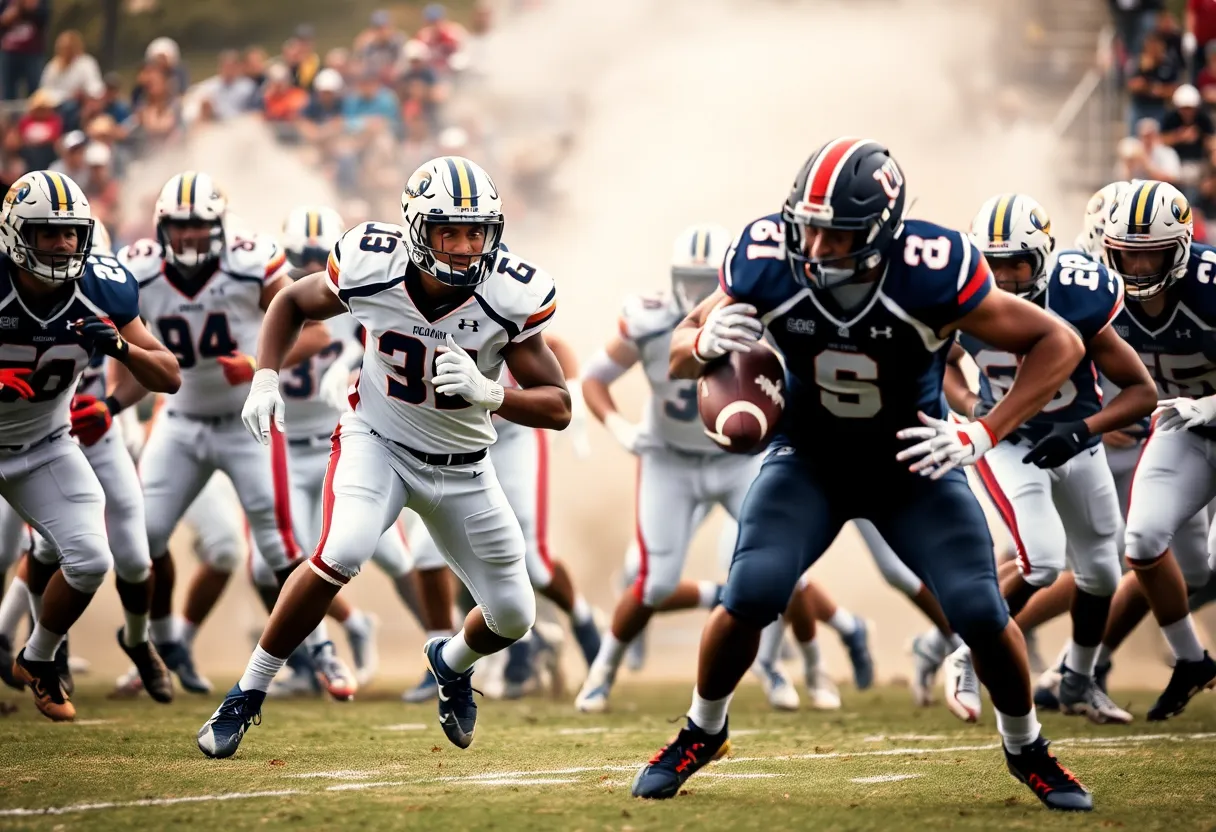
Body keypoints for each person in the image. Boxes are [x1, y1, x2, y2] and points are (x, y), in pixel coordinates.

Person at [630, 137, 1092, 811]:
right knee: (751, 590)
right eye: (807, 229)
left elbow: (1060, 341)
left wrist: (984, 429)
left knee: (979, 610)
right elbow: (680, 352)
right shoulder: (764, 259)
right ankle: (703, 729)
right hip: (809, 458)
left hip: (912, 462)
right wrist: (699, 344)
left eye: (836, 236)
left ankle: (1027, 747)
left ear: (881, 233)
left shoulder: (931, 270)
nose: (815, 250)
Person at [196, 155, 570, 759]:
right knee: (341, 550)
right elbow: (291, 303)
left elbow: (558, 405)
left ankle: (450, 663)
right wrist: (265, 375)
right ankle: (246, 693)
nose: (466, 247)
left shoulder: (509, 294)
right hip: (379, 442)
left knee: (513, 615)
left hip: (466, 467)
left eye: (477, 232)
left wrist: (492, 392)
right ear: (418, 230)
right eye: (450, 231)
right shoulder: (374, 266)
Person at [118, 171, 335, 697]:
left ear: (219, 225)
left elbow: (316, 330)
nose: (190, 235)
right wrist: (108, 403)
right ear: (163, 227)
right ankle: (161, 642)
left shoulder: (249, 260)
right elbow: (123, 353)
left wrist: (259, 363)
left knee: (280, 545)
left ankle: (319, 651)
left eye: (199, 225)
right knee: (141, 540)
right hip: (178, 419)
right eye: (180, 225)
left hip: (247, 424)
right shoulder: (138, 269)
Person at [945, 193, 1155, 725]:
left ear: (1041, 257)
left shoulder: (1077, 297)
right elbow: (942, 364)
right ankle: (964, 655)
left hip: (1074, 441)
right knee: (1040, 560)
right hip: (1005, 442)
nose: (1006, 277)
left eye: (1016, 263)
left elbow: (1140, 390)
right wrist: (973, 408)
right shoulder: (959, 299)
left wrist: (1082, 429)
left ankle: (1077, 680)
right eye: (993, 264)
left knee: (1104, 573)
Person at [0, 171, 181, 720]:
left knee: (91, 559)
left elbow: (168, 376)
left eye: (70, 233)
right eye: (46, 234)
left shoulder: (102, 284)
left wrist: (123, 348)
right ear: (14, 234)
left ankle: (39, 657)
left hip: (43, 442)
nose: (61, 245)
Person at [1100, 179, 1216, 719]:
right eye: (1130, 253)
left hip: (1200, 416)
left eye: (1153, 255)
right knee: (1142, 539)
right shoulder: (1101, 289)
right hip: (1183, 430)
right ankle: (1190, 660)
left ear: (1181, 248)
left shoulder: (1210, 283)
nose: (1140, 267)